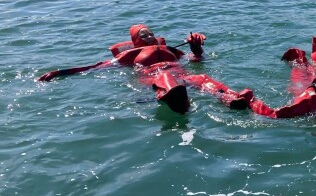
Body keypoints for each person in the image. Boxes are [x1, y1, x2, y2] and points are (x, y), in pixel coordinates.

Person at [37, 24, 253, 114]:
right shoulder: (130, 55)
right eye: (144, 35)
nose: (150, 37)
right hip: (154, 77)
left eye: (151, 33)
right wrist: (60, 72)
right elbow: (95, 68)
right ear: (135, 40)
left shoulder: (171, 50)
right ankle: (174, 98)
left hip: (181, 75)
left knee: (202, 77)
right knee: (165, 76)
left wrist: (196, 48)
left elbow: (196, 61)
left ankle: (231, 99)